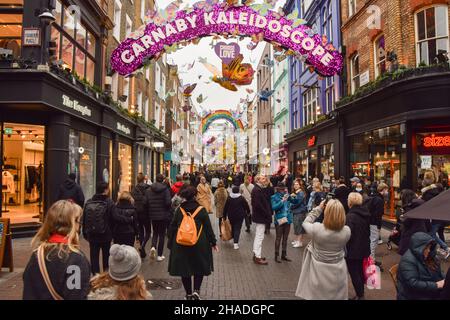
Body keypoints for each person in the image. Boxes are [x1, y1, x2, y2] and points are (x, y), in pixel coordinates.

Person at [23, 200, 90, 300]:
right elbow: (77, 296)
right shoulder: (76, 260)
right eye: (78, 222)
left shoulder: (37, 254)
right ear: (73, 224)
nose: (79, 227)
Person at [167, 186, 218, 300]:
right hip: (199, 243)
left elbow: (173, 227)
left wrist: (170, 242)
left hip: (181, 243)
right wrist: (213, 242)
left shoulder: (179, 210)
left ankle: (188, 294)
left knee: (185, 269)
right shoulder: (201, 210)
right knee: (198, 267)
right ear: (195, 196)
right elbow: (208, 228)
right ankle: (196, 291)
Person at [295, 199, 351, 300]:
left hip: (318, 271)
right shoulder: (347, 231)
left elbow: (306, 222)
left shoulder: (317, 229)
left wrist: (319, 208)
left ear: (327, 212)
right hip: (338, 272)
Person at [397, 232, 445, 300]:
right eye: (426, 248)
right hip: (413, 295)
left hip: (428, 291)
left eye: (429, 248)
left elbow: (438, 271)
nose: (428, 251)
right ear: (418, 248)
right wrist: (436, 285)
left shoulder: (427, 257)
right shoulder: (407, 261)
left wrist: (445, 279)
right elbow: (413, 283)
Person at [83, 182, 116, 275]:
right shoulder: (109, 202)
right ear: (105, 190)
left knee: (94, 257)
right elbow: (114, 219)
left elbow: (84, 219)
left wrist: (85, 233)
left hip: (92, 235)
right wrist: (113, 234)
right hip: (106, 235)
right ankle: (105, 277)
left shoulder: (89, 202)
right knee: (106, 257)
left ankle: (95, 277)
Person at [345, 192, 371, 300]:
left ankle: (360, 295)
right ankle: (360, 294)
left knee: (354, 273)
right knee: (360, 271)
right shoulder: (365, 214)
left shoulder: (350, 216)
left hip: (353, 249)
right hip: (364, 247)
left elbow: (347, 234)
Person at [145, 174, 172, 262]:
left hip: (153, 215)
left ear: (155, 179)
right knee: (161, 235)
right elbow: (168, 203)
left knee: (155, 233)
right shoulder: (165, 190)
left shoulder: (149, 190)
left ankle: (153, 247)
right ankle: (159, 255)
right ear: (163, 180)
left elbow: (146, 202)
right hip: (163, 215)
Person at [398, 189, 430, 256]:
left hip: (411, 234)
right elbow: (427, 221)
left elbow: (407, 223)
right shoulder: (421, 205)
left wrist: (402, 217)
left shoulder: (408, 208)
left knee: (409, 255)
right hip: (421, 232)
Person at [271, 183, 296, 263]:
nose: (283, 191)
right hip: (280, 219)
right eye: (281, 189)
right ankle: (276, 255)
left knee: (285, 238)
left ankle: (284, 255)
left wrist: (293, 196)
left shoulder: (287, 195)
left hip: (287, 219)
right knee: (278, 238)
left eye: (283, 189)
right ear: (277, 189)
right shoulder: (274, 197)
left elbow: (295, 201)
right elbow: (274, 207)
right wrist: (282, 201)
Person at [251, 175, 272, 265]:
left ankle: (256, 254)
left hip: (260, 216)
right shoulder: (257, 190)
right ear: (258, 180)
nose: (265, 180)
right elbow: (258, 205)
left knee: (259, 236)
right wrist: (266, 213)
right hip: (261, 217)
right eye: (263, 178)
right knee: (259, 236)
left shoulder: (259, 189)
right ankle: (257, 256)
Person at [131, 173, 151, 258]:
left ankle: (142, 251)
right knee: (148, 231)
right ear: (144, 179)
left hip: (137, 212)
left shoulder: (134, 189)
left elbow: (132, 200)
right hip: (146, 212)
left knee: (141, 231)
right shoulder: (148, 188)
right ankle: (143, 246)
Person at [368, 183, 388, 263]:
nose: (387, 191)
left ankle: (371, 258)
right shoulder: (379, 200)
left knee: (372, 240)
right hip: (374, 223)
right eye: (386, 190)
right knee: (373, 241)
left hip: (371, 222)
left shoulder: (374, 197)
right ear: (382, 190)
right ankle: (371, 260)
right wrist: (378, 226)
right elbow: (378, 214)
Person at [290, 179, 308, 248]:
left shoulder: (300, 193)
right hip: (297, 211)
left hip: (300, 212)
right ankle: (297, 240)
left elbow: (297, 203)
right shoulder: (297, 192)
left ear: (300, 185)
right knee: (296, 226)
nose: (295, 185)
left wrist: (291, 206)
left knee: (299, 227)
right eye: (294, 184)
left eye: (297, 184)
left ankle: (299, 242)